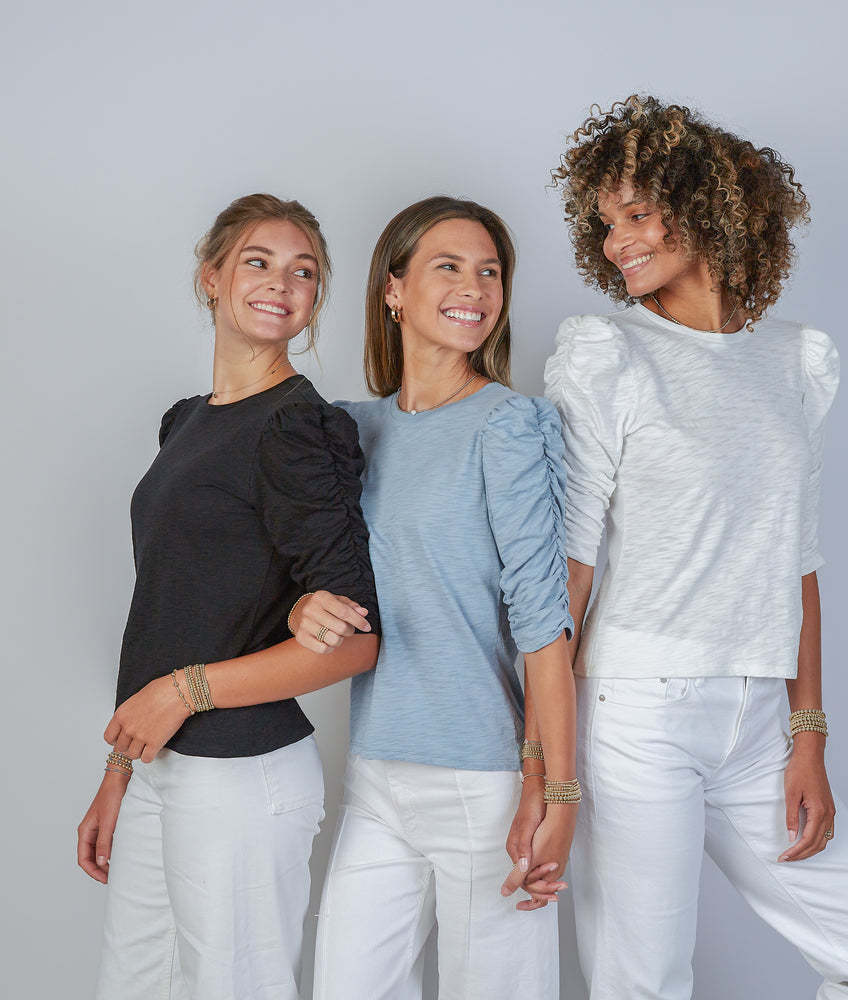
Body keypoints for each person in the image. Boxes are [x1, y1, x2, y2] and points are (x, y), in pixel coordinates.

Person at [544, 96, 848, 1000]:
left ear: (709, 207)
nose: (618, 242)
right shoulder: (607, 352)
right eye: (606, 223)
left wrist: (808, 736)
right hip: (636, 710)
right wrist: (541, 758)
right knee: (643, 984)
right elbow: (568, 568)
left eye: (638, 214)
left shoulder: (797, 360)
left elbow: (797, 562)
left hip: (761, 718)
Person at [76, 193, 382, 1000]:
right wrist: (121, 769)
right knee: (132, 986)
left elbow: (355, 638)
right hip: (160, 766)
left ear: (315, 299)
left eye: (304, 271)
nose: (282, 283)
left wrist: (186, 691)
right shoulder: (186, 421)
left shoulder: (296, 426)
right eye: (259, 261)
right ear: (211, 278)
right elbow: (172, 605)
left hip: (241, 775)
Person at [290, 196, 578, 1000]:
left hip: (483, 778)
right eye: (448, 266)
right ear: (393, 289)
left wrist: (555, 793)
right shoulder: (350, 432)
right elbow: (307, 580)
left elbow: (544, 626)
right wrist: (295, 610)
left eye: (490, 272)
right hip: (376, 772)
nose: (475, 288)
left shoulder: (508, 426)